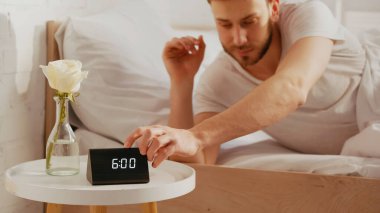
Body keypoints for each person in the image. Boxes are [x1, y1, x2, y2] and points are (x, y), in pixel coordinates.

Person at [125, 0, 380, 167]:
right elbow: (200, 162)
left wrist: (196, 135)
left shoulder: (306, 16)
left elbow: (291, 88)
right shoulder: (219, 81)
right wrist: (182, 82)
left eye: (249, 22)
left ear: (274, 8)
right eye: (224, 24)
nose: (239, 38)